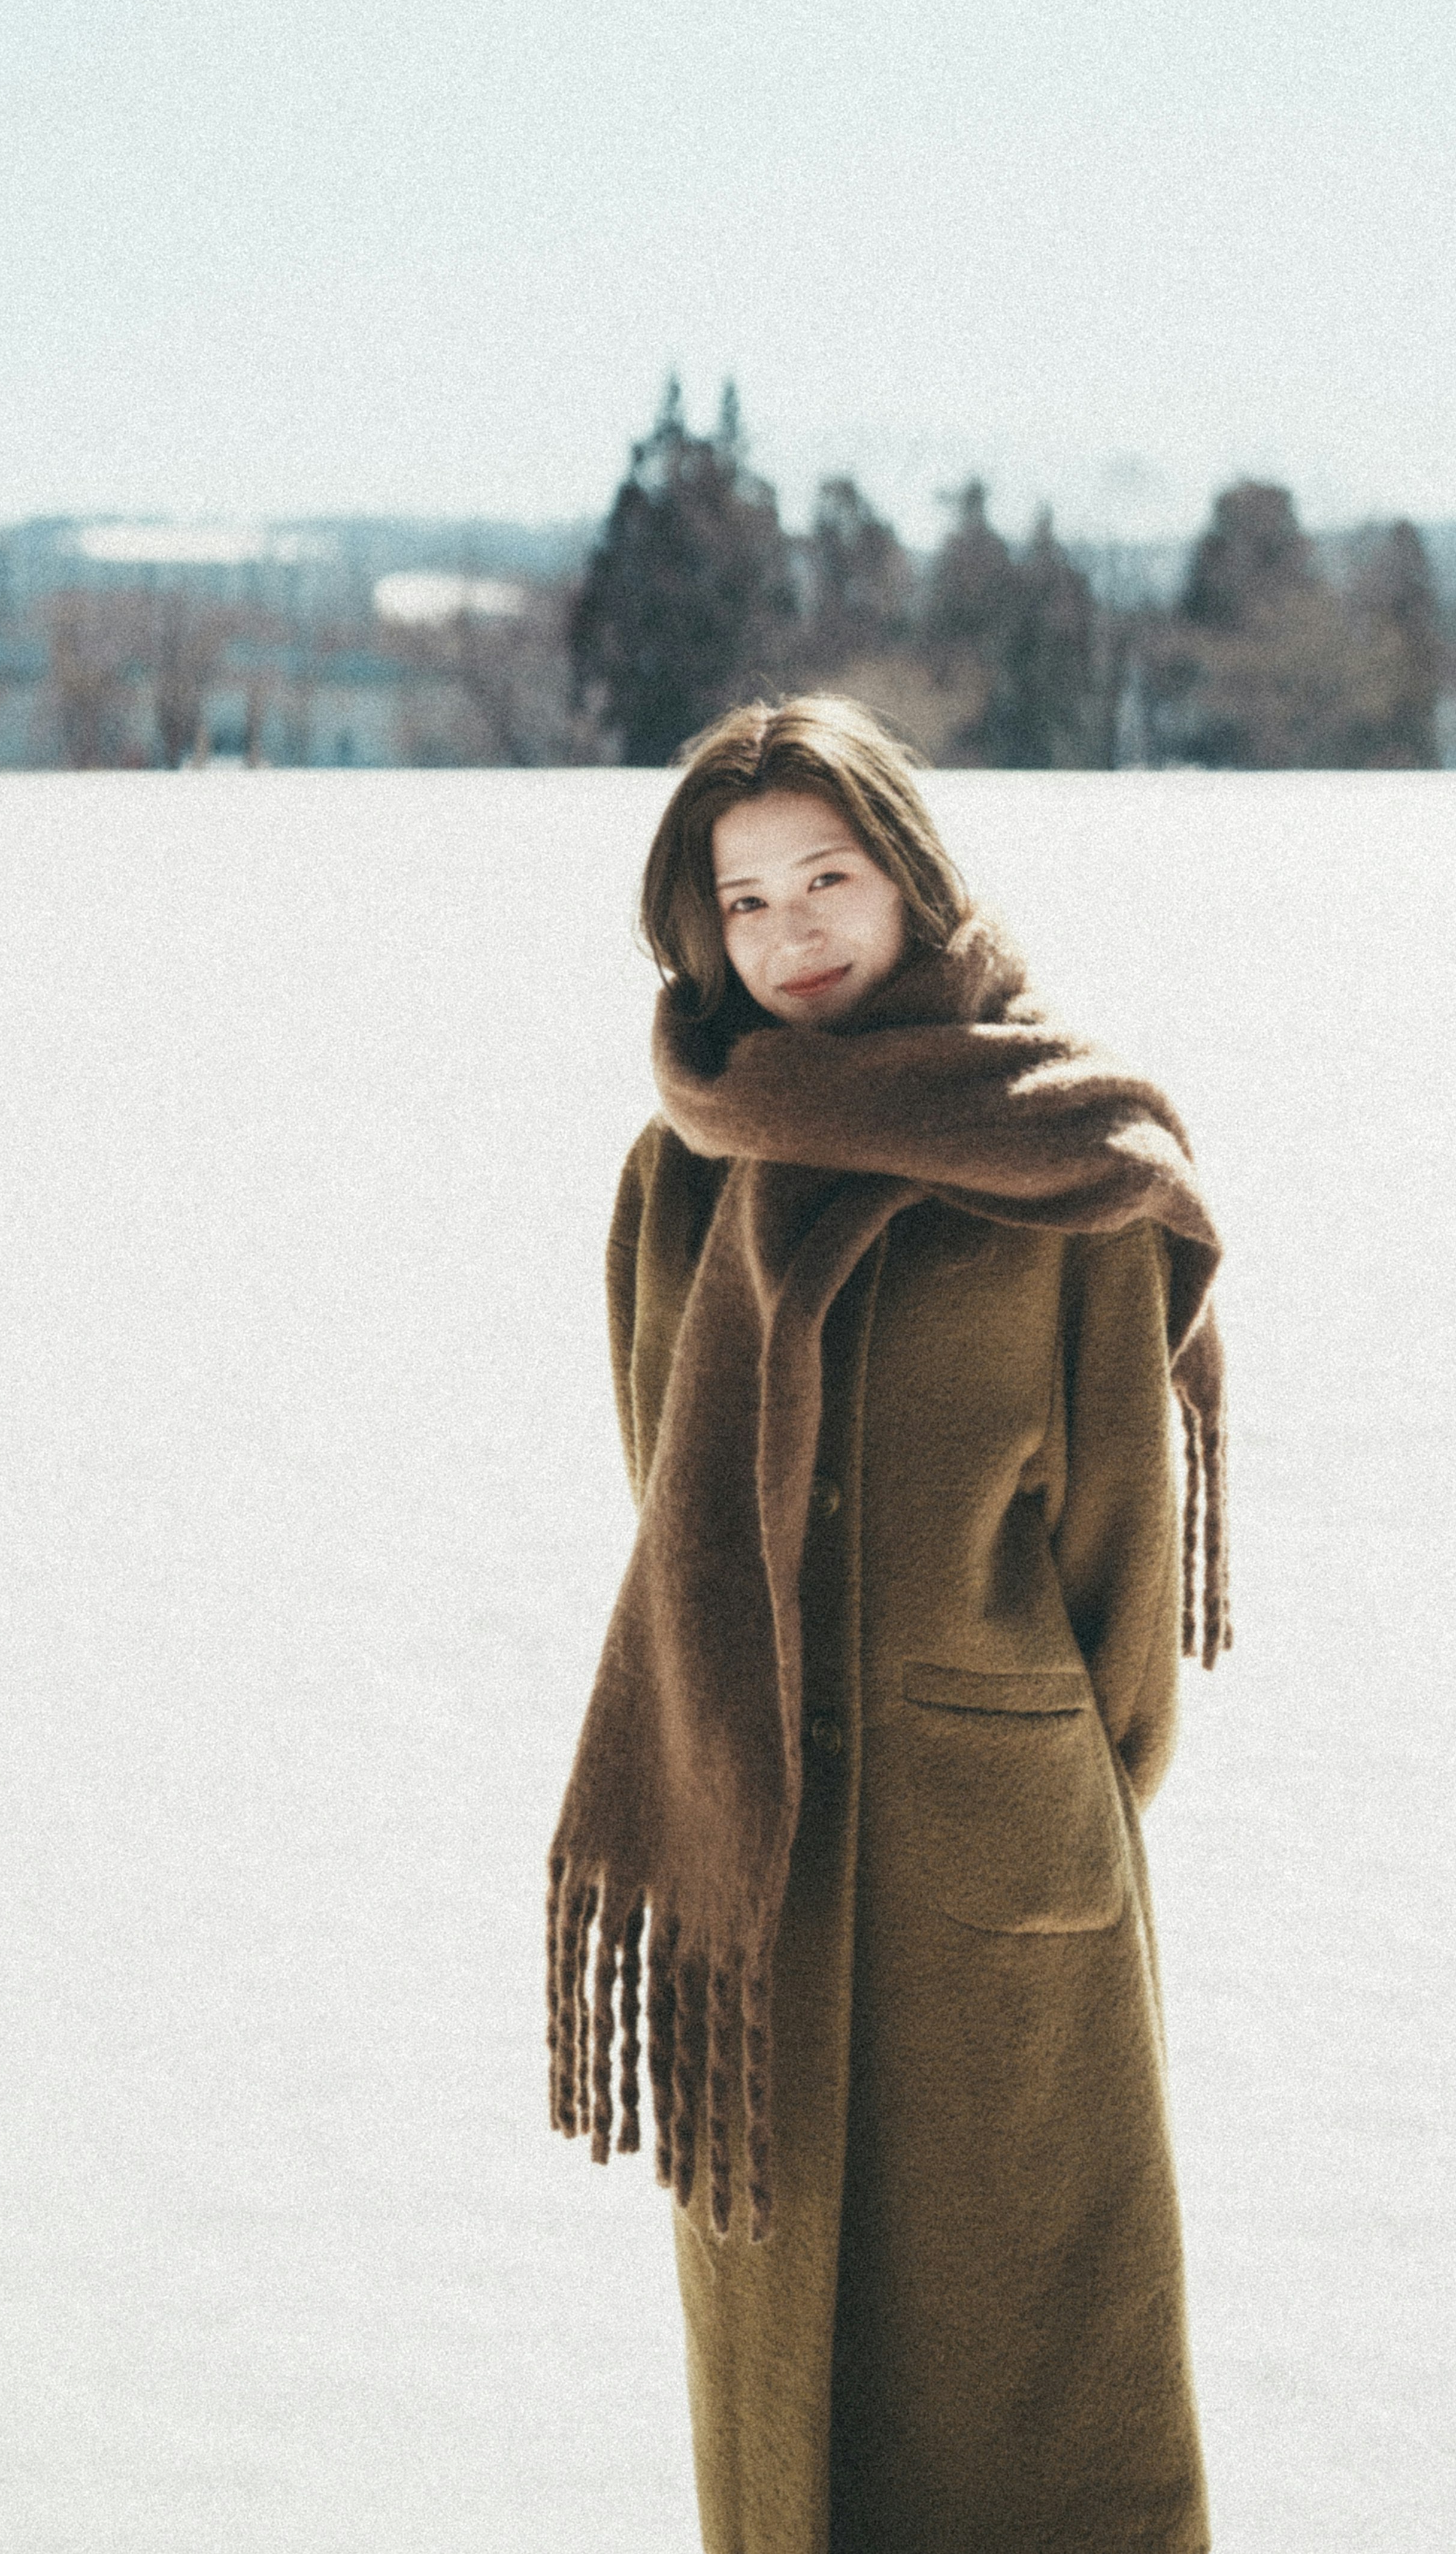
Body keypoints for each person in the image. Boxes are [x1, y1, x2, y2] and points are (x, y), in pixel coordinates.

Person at [547, 694, 1228, 2554]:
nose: (792, 934)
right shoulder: (678, 1175)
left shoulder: (1063, 1163)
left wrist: (1007, 1760)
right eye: (744, 899)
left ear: (910, 876)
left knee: (1040, 2358)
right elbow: (663, 1487)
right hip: (748, 1860)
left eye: (826, 876)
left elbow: (1119, 1570)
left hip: (997, 1860)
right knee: (788, 2393)